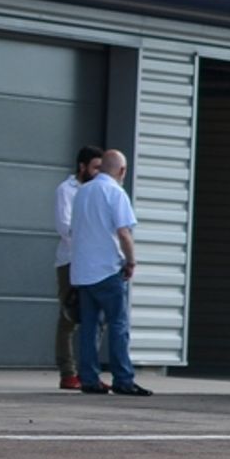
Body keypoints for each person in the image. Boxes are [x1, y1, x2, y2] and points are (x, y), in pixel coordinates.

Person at [69, 149, 147, 397]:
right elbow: (124, 233)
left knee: (89, 328)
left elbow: (74, 229)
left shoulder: (82, 192)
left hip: (83, 270)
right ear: (122, 171)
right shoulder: (115, 192)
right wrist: (131, 261)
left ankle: (89, 378)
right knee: (118, 325)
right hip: (107, 269)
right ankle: (123, 378)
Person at [50, 144, 99, 390]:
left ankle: (89, 371)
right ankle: (68, 372)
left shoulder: (98, 190)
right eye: (95, 167)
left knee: (94, 318)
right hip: (70, 260)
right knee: (69, 316)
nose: (99, 172)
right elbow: (64, 226)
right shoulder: (66, 190)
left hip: (93, 263)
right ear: (82, 167)